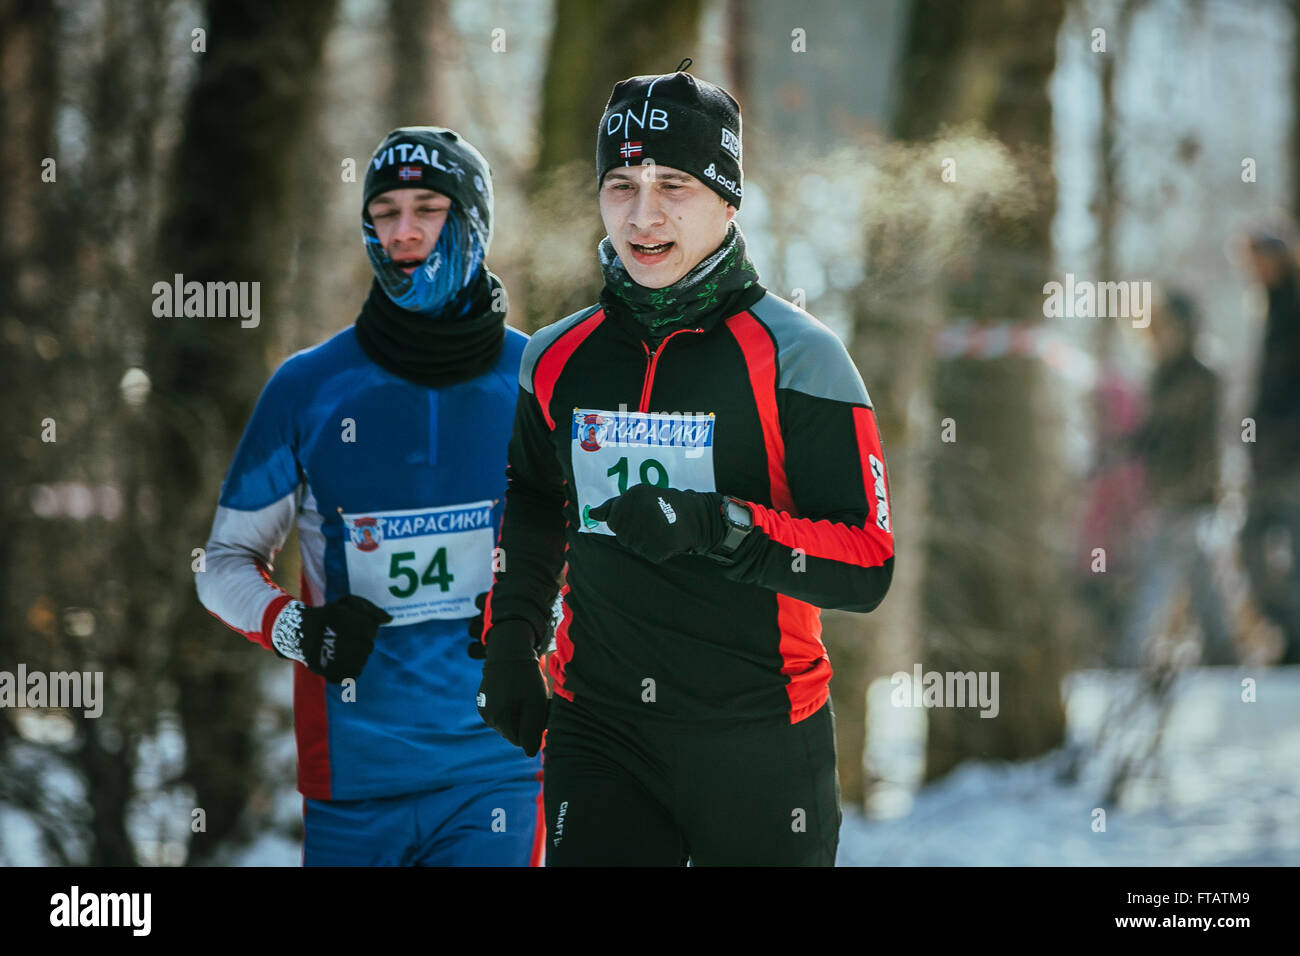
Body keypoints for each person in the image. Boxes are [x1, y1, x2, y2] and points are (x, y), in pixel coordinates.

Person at [472, 64, 894, 866]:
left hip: (760, 737)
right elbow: (532, 499)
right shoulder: (556, 357)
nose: (644, 213)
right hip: (600, 733)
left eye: (675, 184)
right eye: (621, 183)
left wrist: (718, 524)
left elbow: (866, 563)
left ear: (728, 200)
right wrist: (511, 636)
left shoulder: (801, 359)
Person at [195, 127, 544, 865]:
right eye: (385, 211)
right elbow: (222, 561)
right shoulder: (309, 388)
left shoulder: (540, 378)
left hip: (502, 771)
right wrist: (297, 630)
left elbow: (600, 551)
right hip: (355, 782)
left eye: (428, 208)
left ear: (475, 219)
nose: (404, 232)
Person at [1119, 290, 1233, 666]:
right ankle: (1221, 651)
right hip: (1166, 492)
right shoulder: (1159, 376)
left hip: (1191, 495)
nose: (1161, 335)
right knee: (1201, 580)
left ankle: (1130, 656)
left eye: (1168, 326)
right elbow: (1151, 433)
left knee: (1157, 576)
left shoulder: (1203, 377)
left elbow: (1200, 439)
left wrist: (1201, 488)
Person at [1240, 233, 1300, 664]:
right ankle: (1288, 631)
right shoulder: (1270, 310)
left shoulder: (1293, 309)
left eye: (1261, 260)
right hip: (1266, 456)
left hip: (1292, 455)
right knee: (1250, 544)